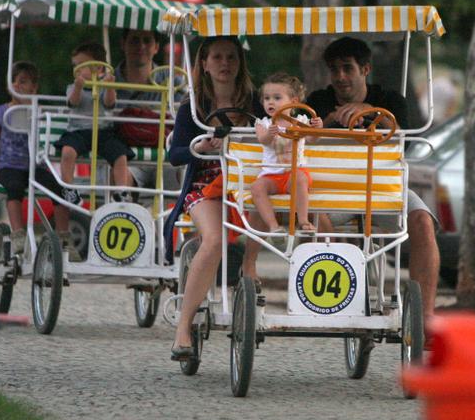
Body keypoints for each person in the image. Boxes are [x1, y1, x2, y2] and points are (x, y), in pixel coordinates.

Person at [307, 37, 440, 322]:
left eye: (347, 68)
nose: (340, 77)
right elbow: (303, 144)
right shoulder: (317, 102)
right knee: (313, 217)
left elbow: (401, 143)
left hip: (382, 187)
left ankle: (425, 317)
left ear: (365, 69)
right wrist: (331, 119)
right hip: (331, 191)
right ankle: (338, 295)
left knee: (422, 221)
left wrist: (372, 113)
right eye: (334, 70)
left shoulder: (391, 101)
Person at [164, 36, 257, 361]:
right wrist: (198, 148)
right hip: (204, 186)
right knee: (215, 239)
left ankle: (250, 270)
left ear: (239, 64)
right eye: (216, 57)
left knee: (271, 222)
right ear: (203, 63)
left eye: (231, 57)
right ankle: (183, 329)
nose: (224, 64)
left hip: (246, 184)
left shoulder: (255, 104)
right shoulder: (193, 107)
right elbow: (174, 154)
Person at [0, 62, 77, 258]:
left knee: (60, 188)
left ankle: (64, 237)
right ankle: (19, 234)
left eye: (24, 82)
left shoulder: (40, 112)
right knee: (14, 188)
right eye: (14, 81)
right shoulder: (1, 112)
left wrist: (33, 110)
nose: (17, 86)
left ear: (34, 88)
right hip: (9, 165)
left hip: (36, 164)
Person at [55, 42, 134, 205]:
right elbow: (73, 102)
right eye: (75, 66)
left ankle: (122, 190)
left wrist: (109, 87)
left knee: (120, 155)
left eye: (81, 66)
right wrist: (78, 87)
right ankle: (68, 188)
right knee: (68, 151)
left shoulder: (105, 86)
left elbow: (109, 103)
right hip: (78, 131)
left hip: (103, 131)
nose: (76, 70)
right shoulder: (73, 87)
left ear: (98, 68)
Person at [251, 73, 323, 237]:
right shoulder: (263, 123)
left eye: (277, 98)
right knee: (257, 187)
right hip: (271, 176)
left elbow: (313, 138)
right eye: (266, 98)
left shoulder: (301, 121)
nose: (270, 102)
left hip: (295, 173)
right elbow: (263, 140)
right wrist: (270, 134)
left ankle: (303, 221)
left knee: (300, 178)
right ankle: (273, 226)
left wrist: (318, 127)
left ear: (294, 102)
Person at [114, 29, 181, 193]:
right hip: (128, 158)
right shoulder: (109, 82)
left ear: (156, 47)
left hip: (166, 159)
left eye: (147, 41)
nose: (141, 46)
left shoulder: (173, 81)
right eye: (134, 40)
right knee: (116, 176)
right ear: (123, 44)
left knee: (184, 176)